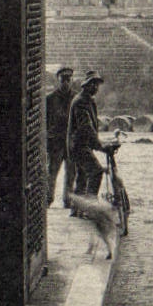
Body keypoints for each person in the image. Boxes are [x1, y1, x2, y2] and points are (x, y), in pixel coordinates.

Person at [66, 70, 107, 209]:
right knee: (96, 172)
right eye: (92, 84)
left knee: (82, 177)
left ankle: (75, 209)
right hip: (79, 146)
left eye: (97, 85)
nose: (95, 88)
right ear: (85, 85)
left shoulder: (87, 99)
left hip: (80, 145)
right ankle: (91, 209)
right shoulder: (81, 102)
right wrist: (99, 145)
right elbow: (86, 127)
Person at [45, 65, 75, 208]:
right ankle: (48, 199)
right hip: (56, 143)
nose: (66, 83)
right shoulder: (50, 99)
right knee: (52, 172)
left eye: (68, 80)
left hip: (71, 143)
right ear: (58, 80)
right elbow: (44, 121)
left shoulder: (76, 98)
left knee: (71, 172)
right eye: (63, 79)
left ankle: (67, 200)